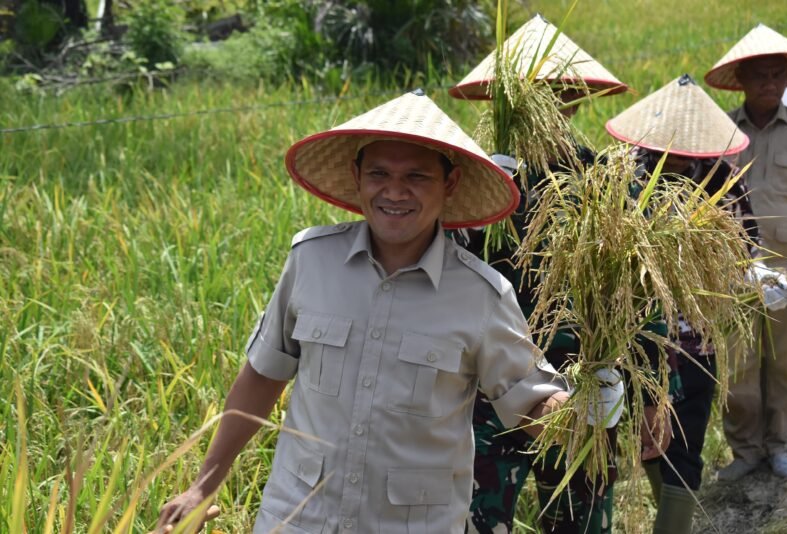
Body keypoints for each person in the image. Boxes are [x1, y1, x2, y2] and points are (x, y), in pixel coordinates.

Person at [154, 90, 570, 533]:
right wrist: (202, 486)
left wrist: (586, 407)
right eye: (378, 173)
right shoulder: (311, 260)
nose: (394, 191)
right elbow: (263, 373)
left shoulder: (481, 294)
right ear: (357, 177)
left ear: (449, 185)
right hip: (300, 519)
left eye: (417, 176)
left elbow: (530, 407)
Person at [451, 14, 670, 534]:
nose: (548, 104)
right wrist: (477, 205)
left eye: (559, 94)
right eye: (533, 93)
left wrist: (652, 392)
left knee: (580, 520)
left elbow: (645, 296)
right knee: (475, 518)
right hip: (486, 389)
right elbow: (440, 274)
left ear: (573, 101)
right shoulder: (474, 184)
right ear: (507, 101)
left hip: (587, 384)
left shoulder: (611, 186)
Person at [606, 73, 754, 534]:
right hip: (638, 341)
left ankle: (674, 523)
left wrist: (724, 268)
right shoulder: (626, 176)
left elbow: (750, 246)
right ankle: (662, 502)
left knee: (685, 445)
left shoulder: (726, 181)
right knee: (648, 438)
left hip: (697, 342)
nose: (683, 154)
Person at [704, 23, 787, 481]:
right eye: (759, 75)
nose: (769, 83)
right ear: (740, 81)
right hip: (732, 270)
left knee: (785, 363)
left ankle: (781, 445)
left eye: (777, 74)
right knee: (738, 365)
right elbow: (701, 201)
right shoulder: (719, 135)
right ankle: (745, 450)